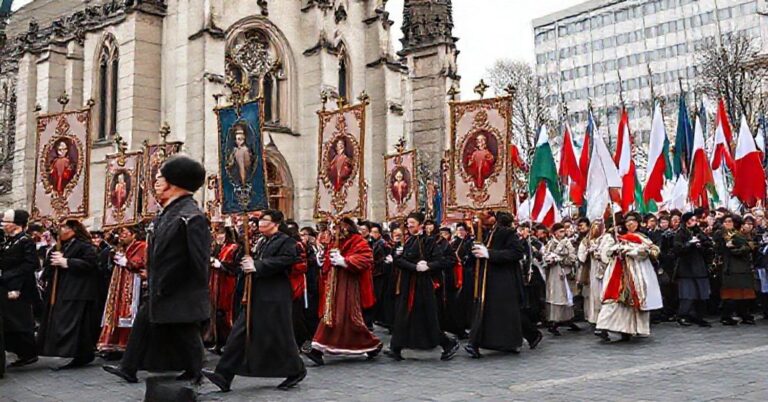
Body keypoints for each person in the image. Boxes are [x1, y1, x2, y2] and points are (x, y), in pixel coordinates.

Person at [103, 154, 210, 384]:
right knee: (143, 323)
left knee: (186, 330)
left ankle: (196, 373)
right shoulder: (167, 212)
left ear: (175, 183)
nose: (156, 183)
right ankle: (128, 367)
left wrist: (183, 287)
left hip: (178, 289)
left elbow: (198, 261)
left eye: (161, 178)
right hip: (159, 286)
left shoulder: (191, 216)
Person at [202, 210, 306, 392]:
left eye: (264, 220)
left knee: (280, 334)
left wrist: (258, 265)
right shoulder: (261, 241)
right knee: (240, 331)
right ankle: (224, 374)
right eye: (259, 220)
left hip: (274, 294)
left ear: (276, 222)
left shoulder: (286, 241)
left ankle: (296, 369)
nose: (260, 224)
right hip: (256, 293)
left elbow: (288, 260)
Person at [305, 218, 382, 365]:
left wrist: (345, 261)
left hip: (349, 284)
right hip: (332, 284)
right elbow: (328, 259)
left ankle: (317, 349)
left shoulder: (358, 240)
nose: (335, 231)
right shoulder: (334, 241)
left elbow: (366, 258)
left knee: (342, 316)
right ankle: (371, 345)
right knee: (335, 316)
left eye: (338, 227)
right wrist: (323, 260)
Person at [390, 212, 459, 361]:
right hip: (408, 283)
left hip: (422, 286)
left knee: (427, 317)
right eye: (408, 223)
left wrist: (428, 266)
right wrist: (410, 264)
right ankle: (396, 346)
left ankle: (447, 344)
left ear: (420, 225)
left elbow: (442, 261)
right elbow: (400, 261)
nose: (408, 225)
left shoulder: (428, 241)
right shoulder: (408, 241)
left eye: (412, 223)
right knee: (404, 315)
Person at [464, 211, 531, 357]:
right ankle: (477, 343)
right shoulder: (487, 231)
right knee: (487, 311)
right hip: (487, 278)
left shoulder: (507, 232)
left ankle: (502, 342)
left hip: (503, 280)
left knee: (502, 312)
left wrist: (489, 253)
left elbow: (517, 253)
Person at [38, 219, 100, 369]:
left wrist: (67, 262)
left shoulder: (84, 246)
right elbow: (50, 266)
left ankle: (81, 354)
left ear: (73, 230)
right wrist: (46, 274)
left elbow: (90, 264)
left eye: (64, 227)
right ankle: (80, 353)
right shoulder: (59, 246)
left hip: (78, 291)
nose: (61, 231)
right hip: (62, 291)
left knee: (75, 324)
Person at [596, 213, 663, 341]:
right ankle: (605, 326)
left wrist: (633, 251)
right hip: (619, 270)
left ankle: (631, 329)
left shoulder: (643, 238)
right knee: (614, 298)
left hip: (638, 272)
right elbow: (606, 254)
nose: (630, 224)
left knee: (635, 300)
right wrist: (616, 249)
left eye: (633, 222)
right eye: (627, 222)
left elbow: (653, 251)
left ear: (638, 223)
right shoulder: (618, 237)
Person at [97, 225, 147, 357]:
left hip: (132, 282)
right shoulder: (121, 248)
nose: (122, 237)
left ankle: (125, 343)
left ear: (134, 234)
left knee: (128, 311)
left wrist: (127, 262)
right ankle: (113, 344)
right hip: (119, 281)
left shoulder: (141, 246)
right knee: (115, 311)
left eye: (125, 233)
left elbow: (140, 262)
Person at [1, 210, 40, 369]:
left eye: (5, 223)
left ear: (14, 225)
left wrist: (8, 275)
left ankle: (29, 353)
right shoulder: (10, 240)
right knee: (9, 321)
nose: (3, 225)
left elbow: (31, 264)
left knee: (20, 321)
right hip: (7, 285)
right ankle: (19, 351)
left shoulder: (26, 241)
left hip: (20, 287)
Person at [674, 212, 714, 327]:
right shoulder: (680, 233)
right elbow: (677, 249)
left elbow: (709, 246)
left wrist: (702, 244)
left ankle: (699, 316)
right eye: (691, 220)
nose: (694, 222)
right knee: (687, 294)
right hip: (686, 268)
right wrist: (689, 244)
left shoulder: (699, 232)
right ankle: (683, 315)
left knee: (702, 293)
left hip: (700, 267)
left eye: (694, 219)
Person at [718, 216, 757, 325]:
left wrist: (746, 247)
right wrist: (745, 247)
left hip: (743, 268)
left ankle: (744, 314)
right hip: (731, 268)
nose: (728, 224)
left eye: (730, 221)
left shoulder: (741, 235)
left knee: (744, 294)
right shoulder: (723, 234)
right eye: (726, 221)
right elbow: (733, 249)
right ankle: (726, 316)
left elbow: (751, 246)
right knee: (730, 295)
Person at [206, 226, 240, 353]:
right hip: (216, 283)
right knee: (217, 314)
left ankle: (229, 343)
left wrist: (221, 265)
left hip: (228, 284)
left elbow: (236, 267)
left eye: (221, 234)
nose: (218, 236)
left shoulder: (234, 248)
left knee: (226, 314)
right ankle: (218, 342)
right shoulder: (219, 247)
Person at [542, 223, 579, 335]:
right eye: (560, 231)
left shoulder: (567, 242)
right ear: (555, 233)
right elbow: (545, 257)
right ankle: (555, 321)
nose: (563, 233)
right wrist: (552, 259)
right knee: (557, 296)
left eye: (563, 231)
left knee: (568, 296)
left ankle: (568, 319)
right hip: (555, 273)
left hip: (566, 272)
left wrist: (563, 259)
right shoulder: (550, 244)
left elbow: (573, 256)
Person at [577, 220, 610, 332]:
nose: (596, 228)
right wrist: (587, 252)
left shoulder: (607, 238)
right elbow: (581, 256)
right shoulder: (586, 241)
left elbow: (608, 253)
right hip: (591, 271)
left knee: (604, 294)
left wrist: (599, 253)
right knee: (593, 295)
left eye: (598, 226)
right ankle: (594, 318)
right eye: (594, 226)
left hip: (605, 270)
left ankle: (605, 319)